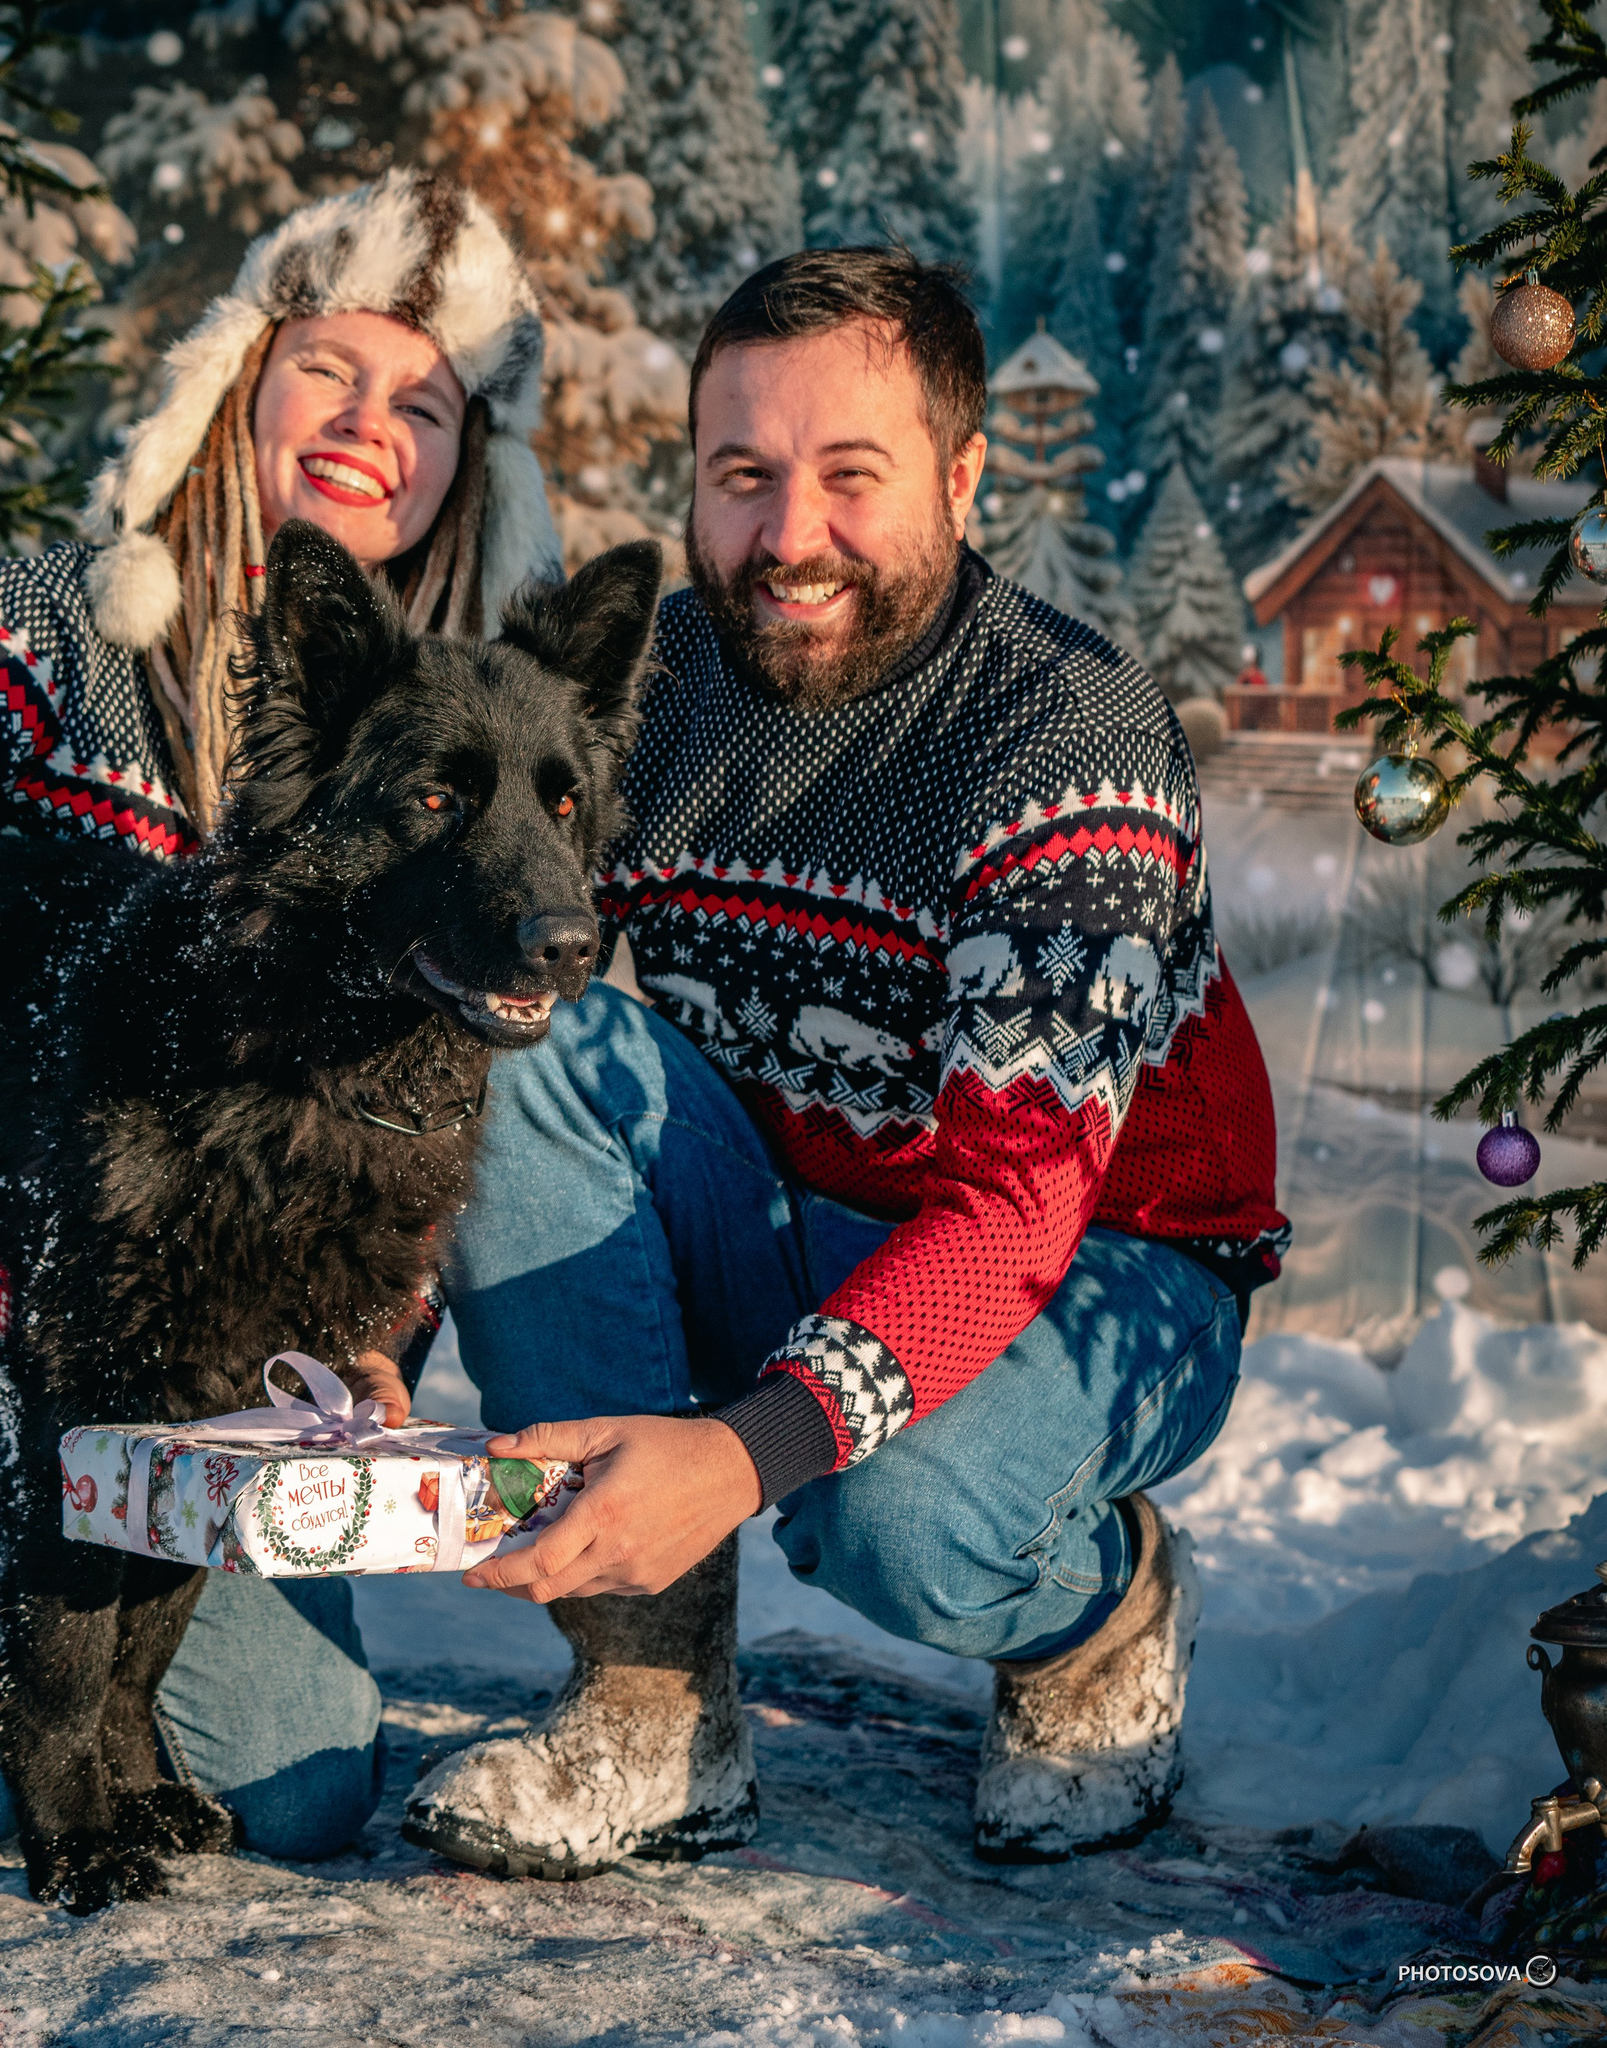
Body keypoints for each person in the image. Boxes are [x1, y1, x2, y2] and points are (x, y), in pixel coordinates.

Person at [0, 169, 564, 1865]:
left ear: (471, 467)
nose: (371, 423)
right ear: (237, 380)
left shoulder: (456, 745)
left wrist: (377, 1334)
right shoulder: (41, 627)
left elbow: (413, 1095)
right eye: (330, 367)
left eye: (427, 401)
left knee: (294, 1792)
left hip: (155, 1355)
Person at [370, 248, 1288, 1875]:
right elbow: (501, 974)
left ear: (961, 474)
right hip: (798, 1203)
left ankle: (1100, 1613)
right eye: (744, 477)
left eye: (849, 476)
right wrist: (387, 1318)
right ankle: (652, 1711)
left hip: (1110, 1262)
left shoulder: (1063, 739)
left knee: (896, 1524)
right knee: (525, 1036)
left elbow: (1015, 1202)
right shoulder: (652, 686)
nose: (790, 539)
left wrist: (744, 1451)